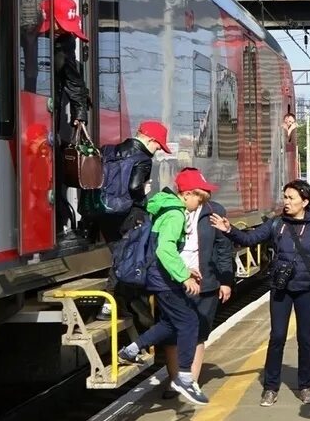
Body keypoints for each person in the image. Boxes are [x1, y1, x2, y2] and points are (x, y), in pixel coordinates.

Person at [211, 179, 310, 407]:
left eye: (291, 198)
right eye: (285, 197)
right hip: (280, 287)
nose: (286, 202)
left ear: (304, 201)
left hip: (306, 287)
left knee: (306, 338)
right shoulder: (277, 224)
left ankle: (305, 386)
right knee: (277, 337)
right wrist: (229, 230)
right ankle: (270, 387)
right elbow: (250, 238)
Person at [117, 186, 209, 405]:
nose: (200, 204)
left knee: (169, 323)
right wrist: (184, 277)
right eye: (199, 198)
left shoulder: (165, 209)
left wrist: (186, 270)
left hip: (159, 277)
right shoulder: (176, 214)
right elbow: (164, 250)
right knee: (189, 323)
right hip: (164, 280)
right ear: (187, 194)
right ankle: (184, 377)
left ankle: (130, 349)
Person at [162, 168, 234, 398]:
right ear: (186, 193)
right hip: (173, 282)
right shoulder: (170, 212)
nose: (204, 198)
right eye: (199, 194)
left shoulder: (215, 212)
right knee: (173, 333)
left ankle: (190, 381)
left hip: (206, 282)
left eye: (205, 194)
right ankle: (175, 381)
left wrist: (225, 280)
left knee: (199, 334)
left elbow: (223, 249)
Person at [97, 120, 170, 330]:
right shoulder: (143, 159)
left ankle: (119, 305)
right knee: (127, 257)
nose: (157, 150)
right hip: (128, 213)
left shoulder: (109, 151)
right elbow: (135, 186)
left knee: (118, 254)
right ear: (149, 139)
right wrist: (143, 197)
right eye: (158, 145)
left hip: (105, 211)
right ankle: (109, 306)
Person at [41, 0, 91, 238]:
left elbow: (74, 82)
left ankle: (58, 221)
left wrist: (80, 114)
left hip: (49, 114)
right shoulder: (32, 39)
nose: (65, 32)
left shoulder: (64, 43)